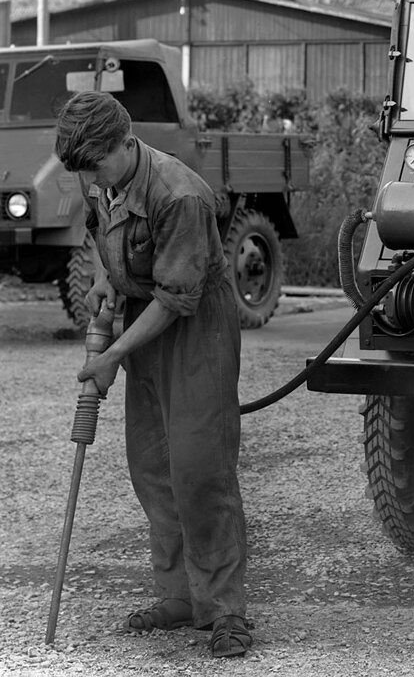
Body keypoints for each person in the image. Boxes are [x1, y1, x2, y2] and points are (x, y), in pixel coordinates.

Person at [55, 91, 251, 658]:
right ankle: (179, 596)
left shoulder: (179, 195)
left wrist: (112, 355)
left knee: (199, 468)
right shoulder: (101, 176)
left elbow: (178, 299)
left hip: (194, 325)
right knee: (153, 466)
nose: (90, 179)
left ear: (124, 141)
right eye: (83, 171)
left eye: (95, 165)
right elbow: (100, 229)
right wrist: (105, 278)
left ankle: (224, 610)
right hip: (144, 314)